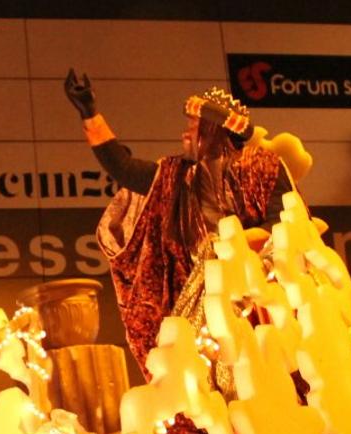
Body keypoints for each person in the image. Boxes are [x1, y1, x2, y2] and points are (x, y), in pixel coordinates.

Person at [64, 69, 295, 389]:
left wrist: (241, 246)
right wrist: (89, 113)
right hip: (196, 284)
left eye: (193, 126)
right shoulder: (177, 174)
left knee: (254, 368)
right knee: (194, 365)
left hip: (252, 284)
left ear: (215, 129)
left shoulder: (262, 166)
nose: (185, 134)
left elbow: (285, 221)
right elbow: (124, 168)